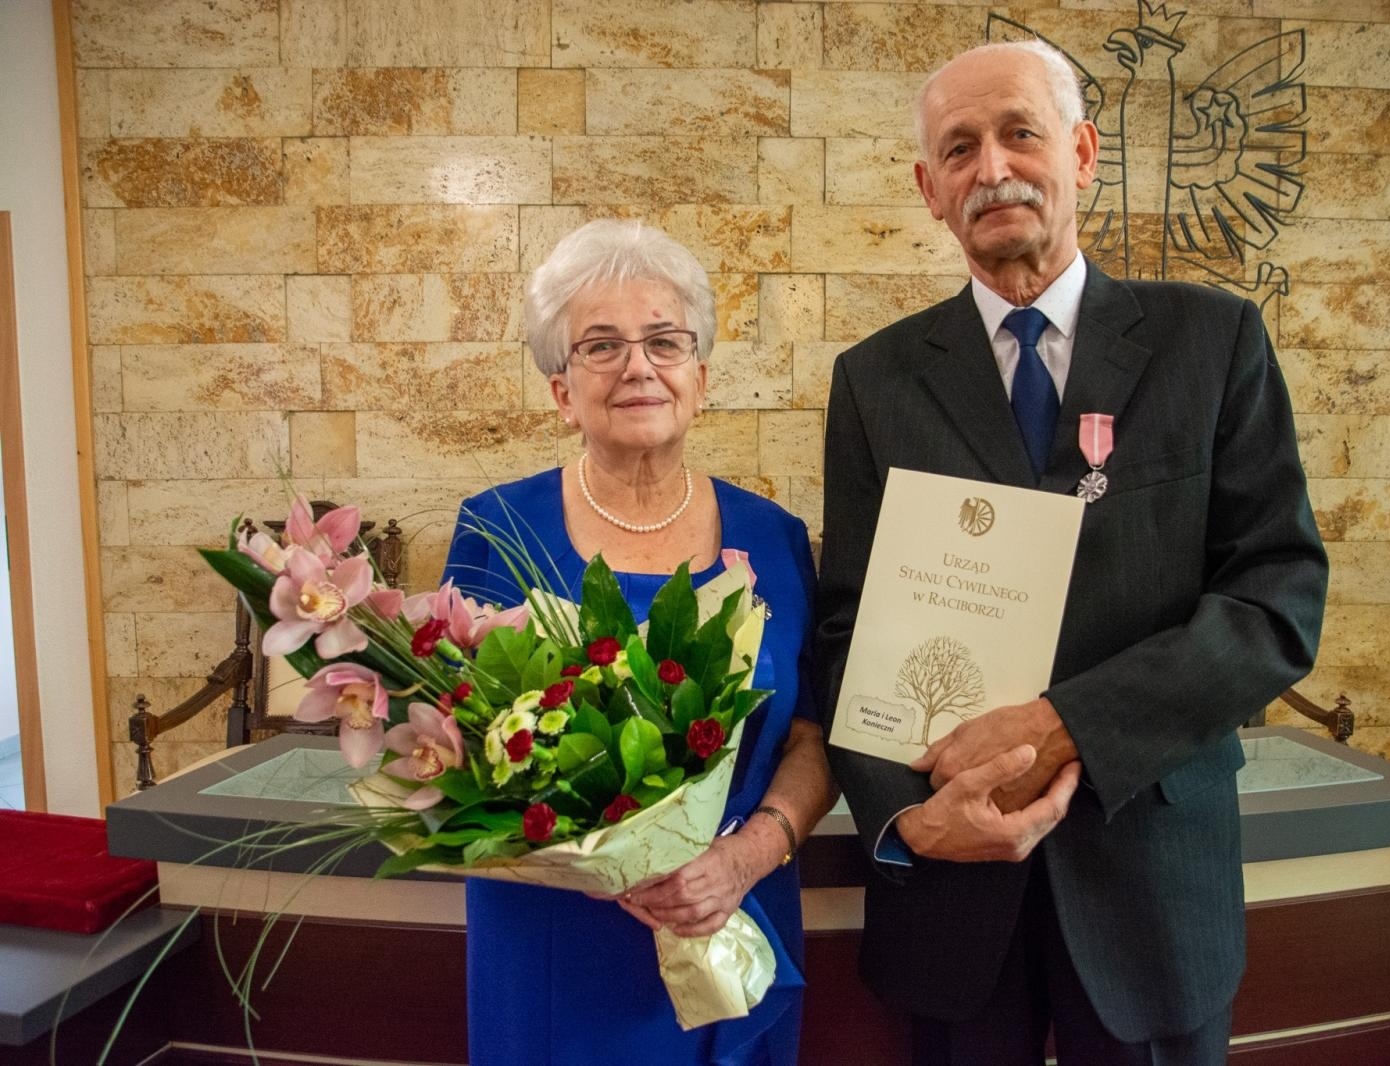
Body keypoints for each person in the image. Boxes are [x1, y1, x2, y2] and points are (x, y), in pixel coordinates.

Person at [814, 40, 1329, 1066]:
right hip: (956, 899)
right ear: (928, 189)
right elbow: (846, 628)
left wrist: (1066, 726)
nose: (991, 168)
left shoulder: (1211, 343)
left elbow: (1274, 599)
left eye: (1019, 133)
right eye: (958, 148)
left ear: (1083, 152)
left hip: (1150, 885)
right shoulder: (875, 383)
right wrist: (912, 822)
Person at [442, 219, 834, 1066]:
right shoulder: (496, 529)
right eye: (600, 346)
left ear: (701, 377)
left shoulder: (774, 538)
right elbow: (450, 747)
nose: (637, 366)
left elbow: (812, 735)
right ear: (560, 389)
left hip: (731, 920)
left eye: (664, 341)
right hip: (555, 945)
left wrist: (742, 858)